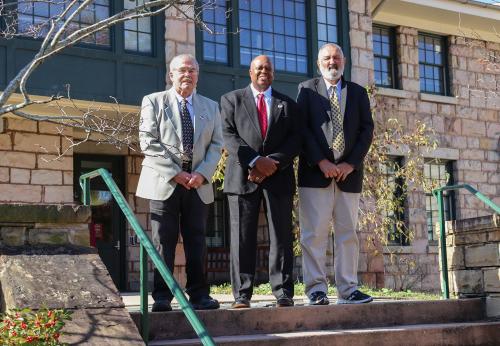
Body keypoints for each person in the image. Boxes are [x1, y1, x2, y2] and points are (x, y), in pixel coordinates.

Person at [136, 54, 223, 312]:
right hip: (165, 183)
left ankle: (199, 295)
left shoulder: (211, 106)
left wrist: (202, 173)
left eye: (192, 70)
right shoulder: (153, 102)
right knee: (164, 241)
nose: (187, 74)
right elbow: (148, 143)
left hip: (198, 184)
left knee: (197, 241)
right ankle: (162, 297)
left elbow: (217, 144)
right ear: (170, 75)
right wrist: (175, 173)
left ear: (198, 75)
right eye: (182, 70)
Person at [297, 43, 374, 305]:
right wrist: (320, 161)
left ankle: (348, 290)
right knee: (313, 234)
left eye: (337, 57)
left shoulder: (358, 93)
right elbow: (303, 130)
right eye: (327, 58)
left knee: (347, 234)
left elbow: (367, 131)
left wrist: (350, 164)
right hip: (314, 174)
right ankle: (316, 290)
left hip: (348, 176)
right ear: (319, 63)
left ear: (344, 61)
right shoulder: (307, 90)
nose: (333, 62)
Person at [221, 55, 300, 308]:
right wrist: (255, 161)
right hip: (242, 179)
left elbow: (295, 140)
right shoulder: (231, 100)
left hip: (279, 178)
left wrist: (270, 164)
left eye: (268, 68)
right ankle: (242, 294)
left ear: (273, 73)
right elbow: (228, 136)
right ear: (250, 72)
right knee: (242, 238)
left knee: (282, 237)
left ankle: (283, 291)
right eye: (259, 68)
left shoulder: (287, 104)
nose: (263, 71)